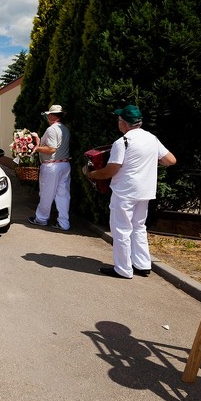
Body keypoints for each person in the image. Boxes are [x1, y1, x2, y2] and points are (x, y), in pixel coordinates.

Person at [85, 104, 176, 279]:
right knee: (139, 227)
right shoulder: (152, 139)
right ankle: (142, 264)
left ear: (125, 124)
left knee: (121, 230)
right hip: (145, 191)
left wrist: (92, 174)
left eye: (119, 120)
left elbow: (111, 170)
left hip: (125, 192)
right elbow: (170, 160)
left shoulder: (123, 142)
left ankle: (123, 268)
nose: (118, 123)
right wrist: (149, 162)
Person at [28, 104, 71, 231]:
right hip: (64, 164)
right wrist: (38, 141)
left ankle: (41, 219)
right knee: (63, 195)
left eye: (48, 115)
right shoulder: (65, 129)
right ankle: (64, 223)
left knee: (46, 193)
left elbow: (51, 149)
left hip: (52, 165)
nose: (47, 117)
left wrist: (35, 148)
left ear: (52, 116)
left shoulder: (51, 129)